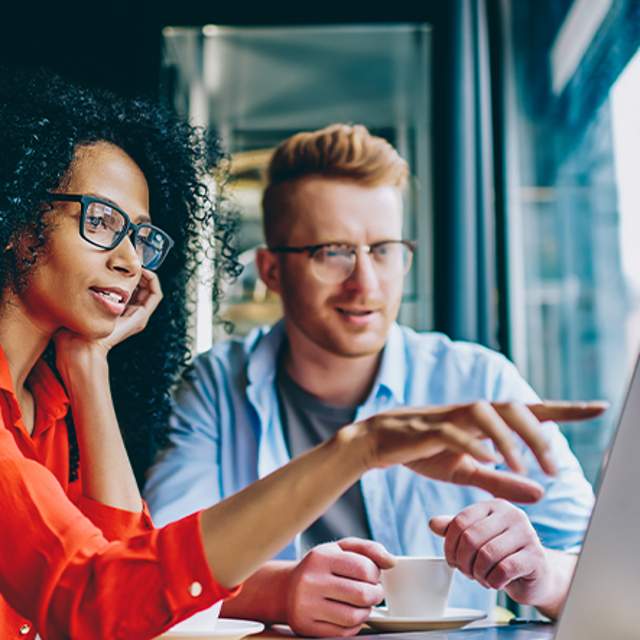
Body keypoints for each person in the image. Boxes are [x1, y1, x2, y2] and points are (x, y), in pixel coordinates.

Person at [144, 124, 600, 637]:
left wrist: (541, 575)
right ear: (271, 271)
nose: (366, 282)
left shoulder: (479, 380)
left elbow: (607, 573)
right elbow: (155, 570)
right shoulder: (215, 385)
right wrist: (280, 590)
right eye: (332, 252)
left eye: (384, 249)